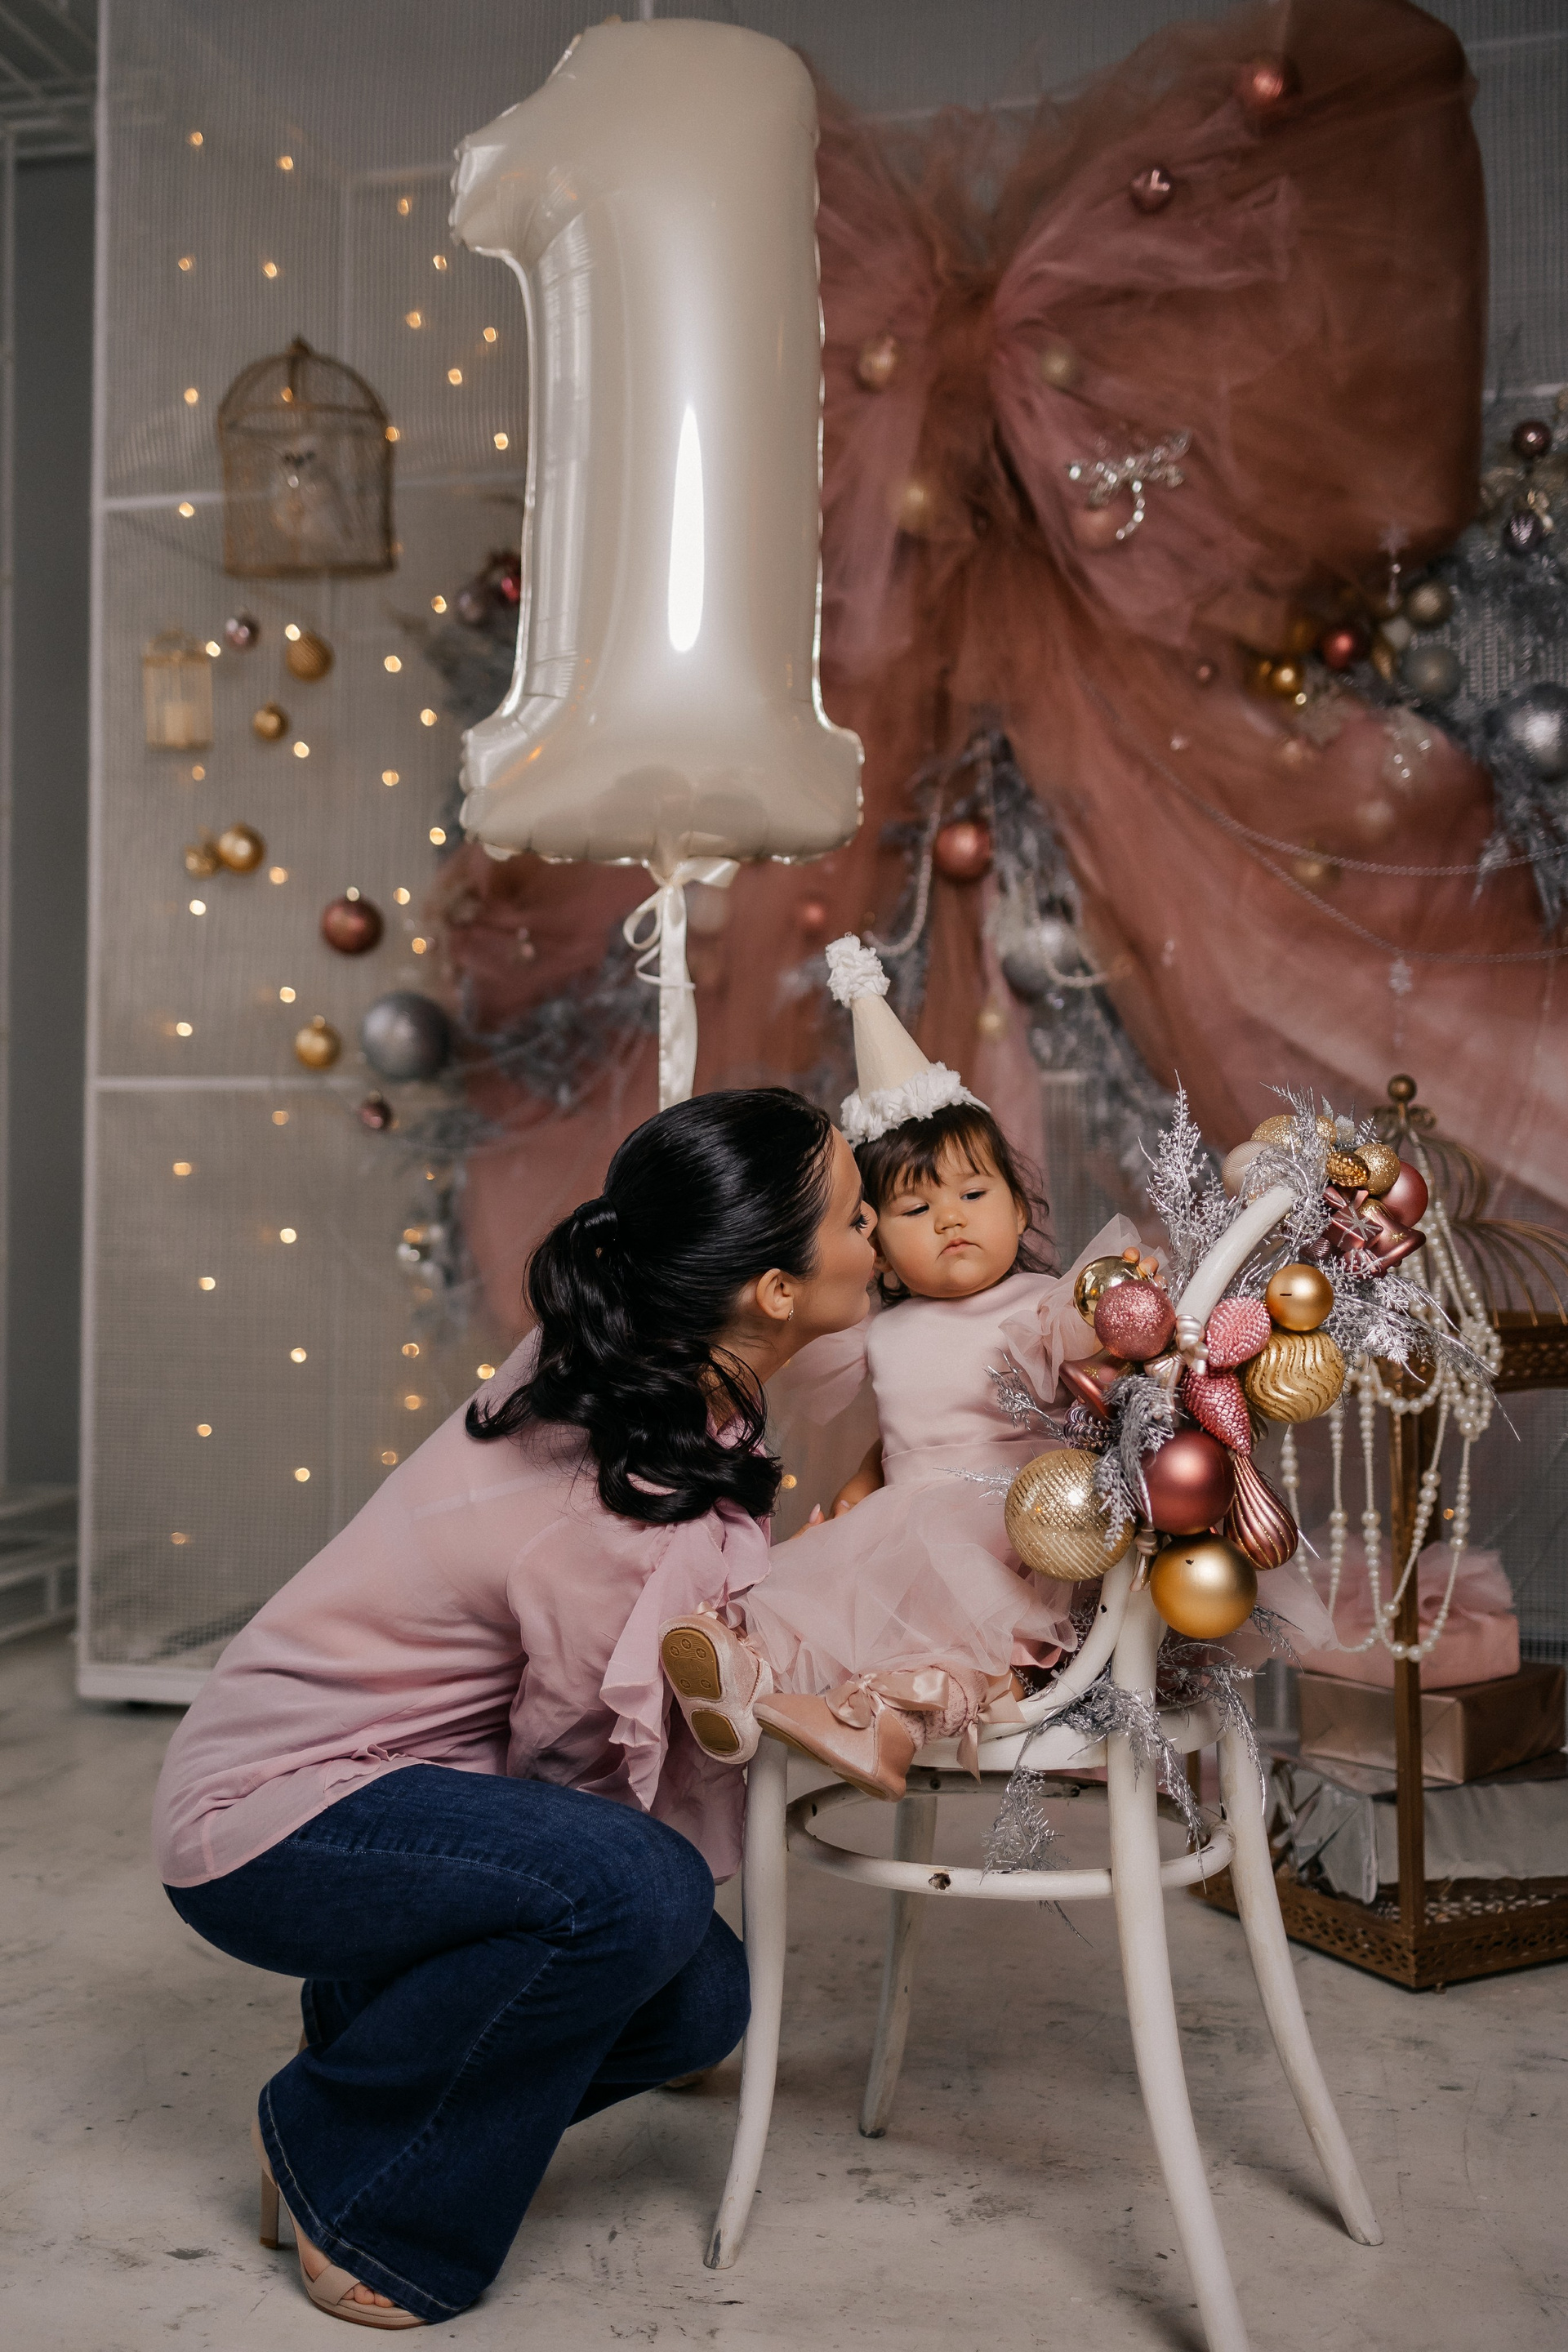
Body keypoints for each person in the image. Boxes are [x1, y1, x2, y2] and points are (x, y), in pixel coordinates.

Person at [152, 1087, 878, 2328]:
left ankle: (359, 2060)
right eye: (859, 1219)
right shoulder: (619, 1506)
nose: (880, 1239)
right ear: (772, 1291)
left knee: (705, 1996)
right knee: (641, 1894)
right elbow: (570, 1775)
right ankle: (363, 2185)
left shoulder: (634, 1364)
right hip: (270, 1820)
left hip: (403, 1790)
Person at [659, 937, 1332, 1801]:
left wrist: (1113, 1302)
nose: (950, 1219)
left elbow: (1089, 1356)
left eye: (974, 1195)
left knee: (955, 1602)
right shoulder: (876, 1332)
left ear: (1019, 1209)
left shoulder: (1037, 1305)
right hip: (908, 1522)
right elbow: (901, 1434)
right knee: (820, 1581)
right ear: (877, 1248)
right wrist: (860, 1493)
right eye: (914, 1208)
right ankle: (746, 1673)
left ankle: (887, 1720)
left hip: (1023, 1527)